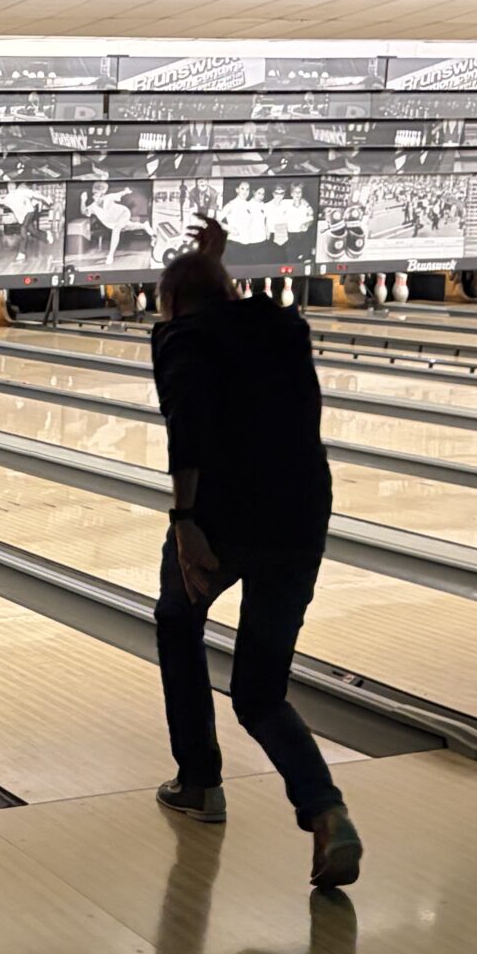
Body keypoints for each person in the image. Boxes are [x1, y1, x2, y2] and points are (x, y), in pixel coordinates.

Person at [149, 216, 362, 889]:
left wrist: (185, 520)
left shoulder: (181, 337)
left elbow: (187, 427)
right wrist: (212, 264)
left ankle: (199, 782)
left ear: (173, 303)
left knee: (178, 621)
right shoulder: (284, 327)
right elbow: (233, 316)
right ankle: (326, 811)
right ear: (230, 289)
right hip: (299, 518)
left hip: (221, 516)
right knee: (261, 693)